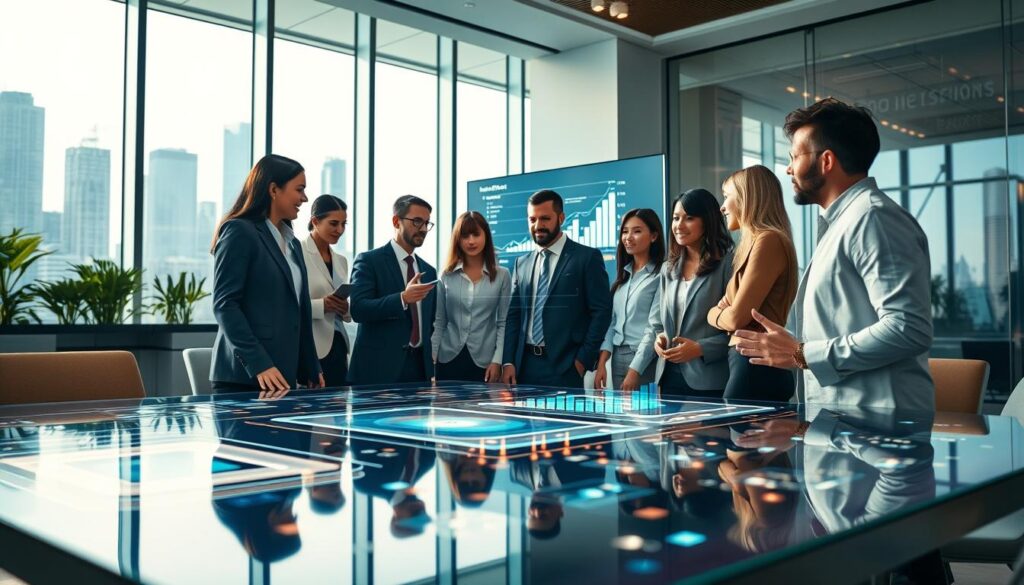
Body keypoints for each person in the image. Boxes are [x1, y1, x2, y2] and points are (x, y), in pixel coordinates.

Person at [732, 97, 934, 411]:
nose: (788, 168)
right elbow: (839, 327)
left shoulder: (872, 218)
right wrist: (788, 347)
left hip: (877, 429)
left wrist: (802, 353)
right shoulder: (844, 222)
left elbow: (907, 327)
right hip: (845, 425)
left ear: (826, 161)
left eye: (795, 156)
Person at [209, 154, 323, 395]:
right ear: (274, 189)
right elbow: (225, 305)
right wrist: (259, 363)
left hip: (283, 376)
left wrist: (310, 365)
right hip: (246, 377)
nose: (305, 198)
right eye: (299, 189)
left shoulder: (292, 242)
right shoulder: (240, 231)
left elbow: (299, 310)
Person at [501, 189, 612, 388]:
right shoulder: (521, 263)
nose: (538, 226)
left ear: (561, 217)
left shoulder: (586, 258)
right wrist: (508, 361)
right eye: (532, 219)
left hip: (566, 367)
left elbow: (601, 312)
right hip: (524, 367)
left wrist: (582, 361)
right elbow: (514, 316)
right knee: (526, 420)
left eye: (545, 218)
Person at [707, 165, 799, 402]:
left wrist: (714, 313)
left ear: (747, 197)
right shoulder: (755, 243)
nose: (722, 206)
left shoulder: (768, 241)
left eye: (727, 196)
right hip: (749, 361)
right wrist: (725, 312)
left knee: (737, 435)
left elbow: (736, 317)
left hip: (754, 362)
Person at [632, 188, 734, 398]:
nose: (679, 225)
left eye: (689, 218)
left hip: (709, 380)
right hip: (669, 376)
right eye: (676, 218)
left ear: (707, 221)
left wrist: (700, 348)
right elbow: (660, 324)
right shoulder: (668, 269)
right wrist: (660, 339)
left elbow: (737, 329)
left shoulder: (727, 264)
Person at [348, 195, 437, 386]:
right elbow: (358, 309)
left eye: (427, 223)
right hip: (378, 371)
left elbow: (430, 323)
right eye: (416, 221)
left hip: (420, 371)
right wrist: (402, 299)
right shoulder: (369, 261)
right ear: (396, 221)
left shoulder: (429, 271)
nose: (423, 229)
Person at [431, 211, 511, 383]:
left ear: (486, 236)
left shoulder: (503, 275)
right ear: (457, 240)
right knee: (447, 410)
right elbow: (440, 321)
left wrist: (497, 361)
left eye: (476, 234)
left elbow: (503, 322)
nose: (471, 241)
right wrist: (432, 360)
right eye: (465, 236)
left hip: (485, 362)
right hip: (447, 359)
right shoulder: (446, 275)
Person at [594, 208, 664, 391]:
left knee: (644, 417)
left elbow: (654, 328)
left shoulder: (661, 275)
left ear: (654, 236)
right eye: (625, 231)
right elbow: (612, 323)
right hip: (617, 357)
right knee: (622, 417)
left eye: (637, 231)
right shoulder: (622, 279)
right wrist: (602, 362)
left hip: (644, 359)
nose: (628, 237)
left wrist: (635, 370)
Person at [301, 194, 352, 387]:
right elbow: (289, 303)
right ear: (315, 221)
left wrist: (344, 307)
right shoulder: (297, 252)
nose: (340, 230)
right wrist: (322, 305)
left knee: (338, 411)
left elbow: (345, 314)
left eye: (344, 224)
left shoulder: (341, 260)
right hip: (311, 347)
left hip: (338, 346)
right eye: (333, 223)